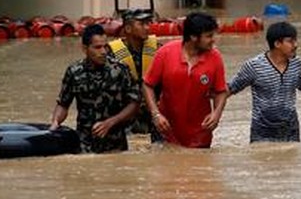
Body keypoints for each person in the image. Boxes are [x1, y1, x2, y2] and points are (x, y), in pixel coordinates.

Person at [227, 21, 301, 143]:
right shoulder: (254, 66)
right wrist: (213, 110)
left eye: (296, 40)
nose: (296, 45)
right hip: (262, 130)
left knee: (290, 160)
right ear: (277, 43)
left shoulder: (296, 63)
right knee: (263, 160)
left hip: (290, 128)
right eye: (291, 41)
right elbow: (231, 88)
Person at [50, 23, 140, 153]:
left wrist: (111, 122)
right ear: (85, 48)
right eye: (97, 47)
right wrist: (55, 122)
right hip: (84, 144)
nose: (103, 52)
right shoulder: (74, 72)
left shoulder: (120, 69)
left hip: (115, 144)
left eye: (105, 47)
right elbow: (63, 103)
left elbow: (134, 103)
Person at [142, 11, 228, 148]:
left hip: (200, 132)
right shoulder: (165, 53)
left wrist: (216, 114)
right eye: (209, 36)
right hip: (165, 129)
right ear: (193, 37)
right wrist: (156, 114)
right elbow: (147, 85)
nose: (213, 40)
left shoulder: (215, 58)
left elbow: (221, 91)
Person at [108, 8, 159, 134]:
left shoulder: (158, 50)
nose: (147, 27)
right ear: (128, 29)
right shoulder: (111, 53)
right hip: (124, 116)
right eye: (141, 24)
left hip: (152, 114)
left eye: (148, 23)